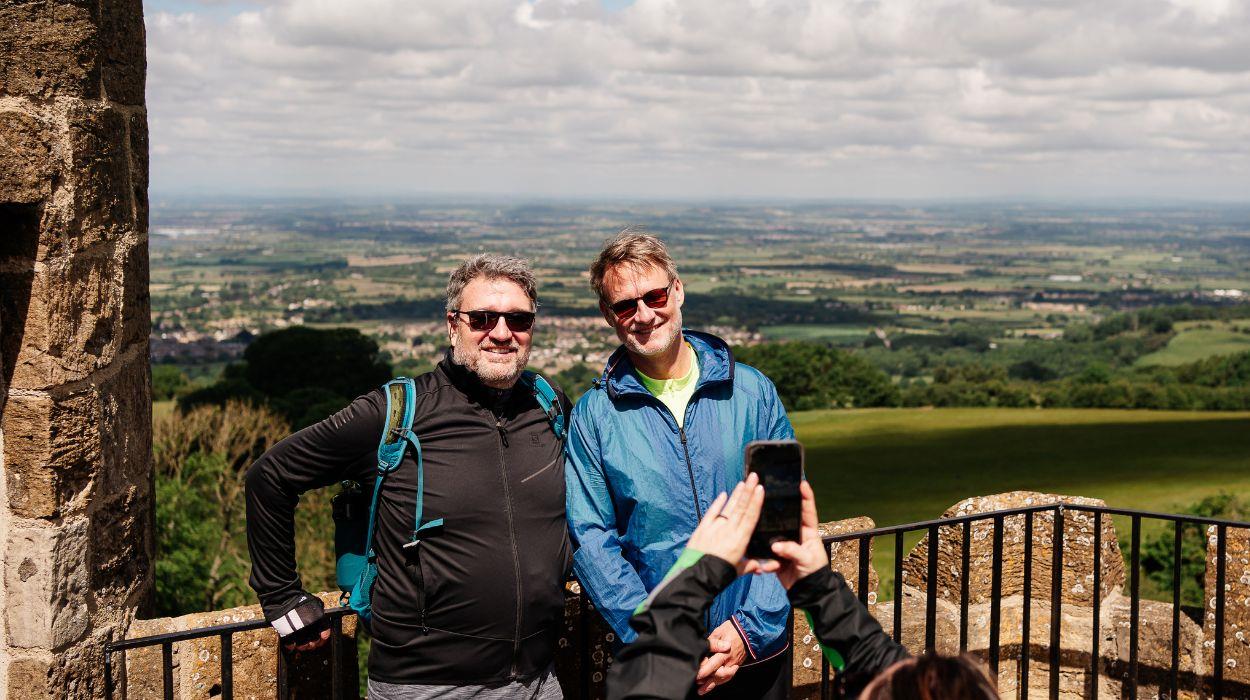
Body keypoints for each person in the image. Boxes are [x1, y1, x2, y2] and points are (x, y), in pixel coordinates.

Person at [245, 254, 570, 699]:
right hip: (426, 686)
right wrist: (282, 598)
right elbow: (271, 476)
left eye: (517, 319)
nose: (500, 333)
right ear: (453, 325)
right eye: (482, 318)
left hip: (538, 680)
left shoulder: (547, 407)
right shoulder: (395, 414)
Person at [565, 229, 794, 697]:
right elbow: (593, 541)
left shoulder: (751, 392)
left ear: (678, 290)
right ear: (609, 315)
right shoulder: (594, 416)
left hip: (756, 650)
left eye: (655, 295)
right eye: (626, 305)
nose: (645, 314)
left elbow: (784, 515)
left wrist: (748, 631)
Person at [607, 476, 914, 699]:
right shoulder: (949, 686)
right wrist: (817, 589)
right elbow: (884, 672)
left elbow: (639, 687)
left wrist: (695, 578)